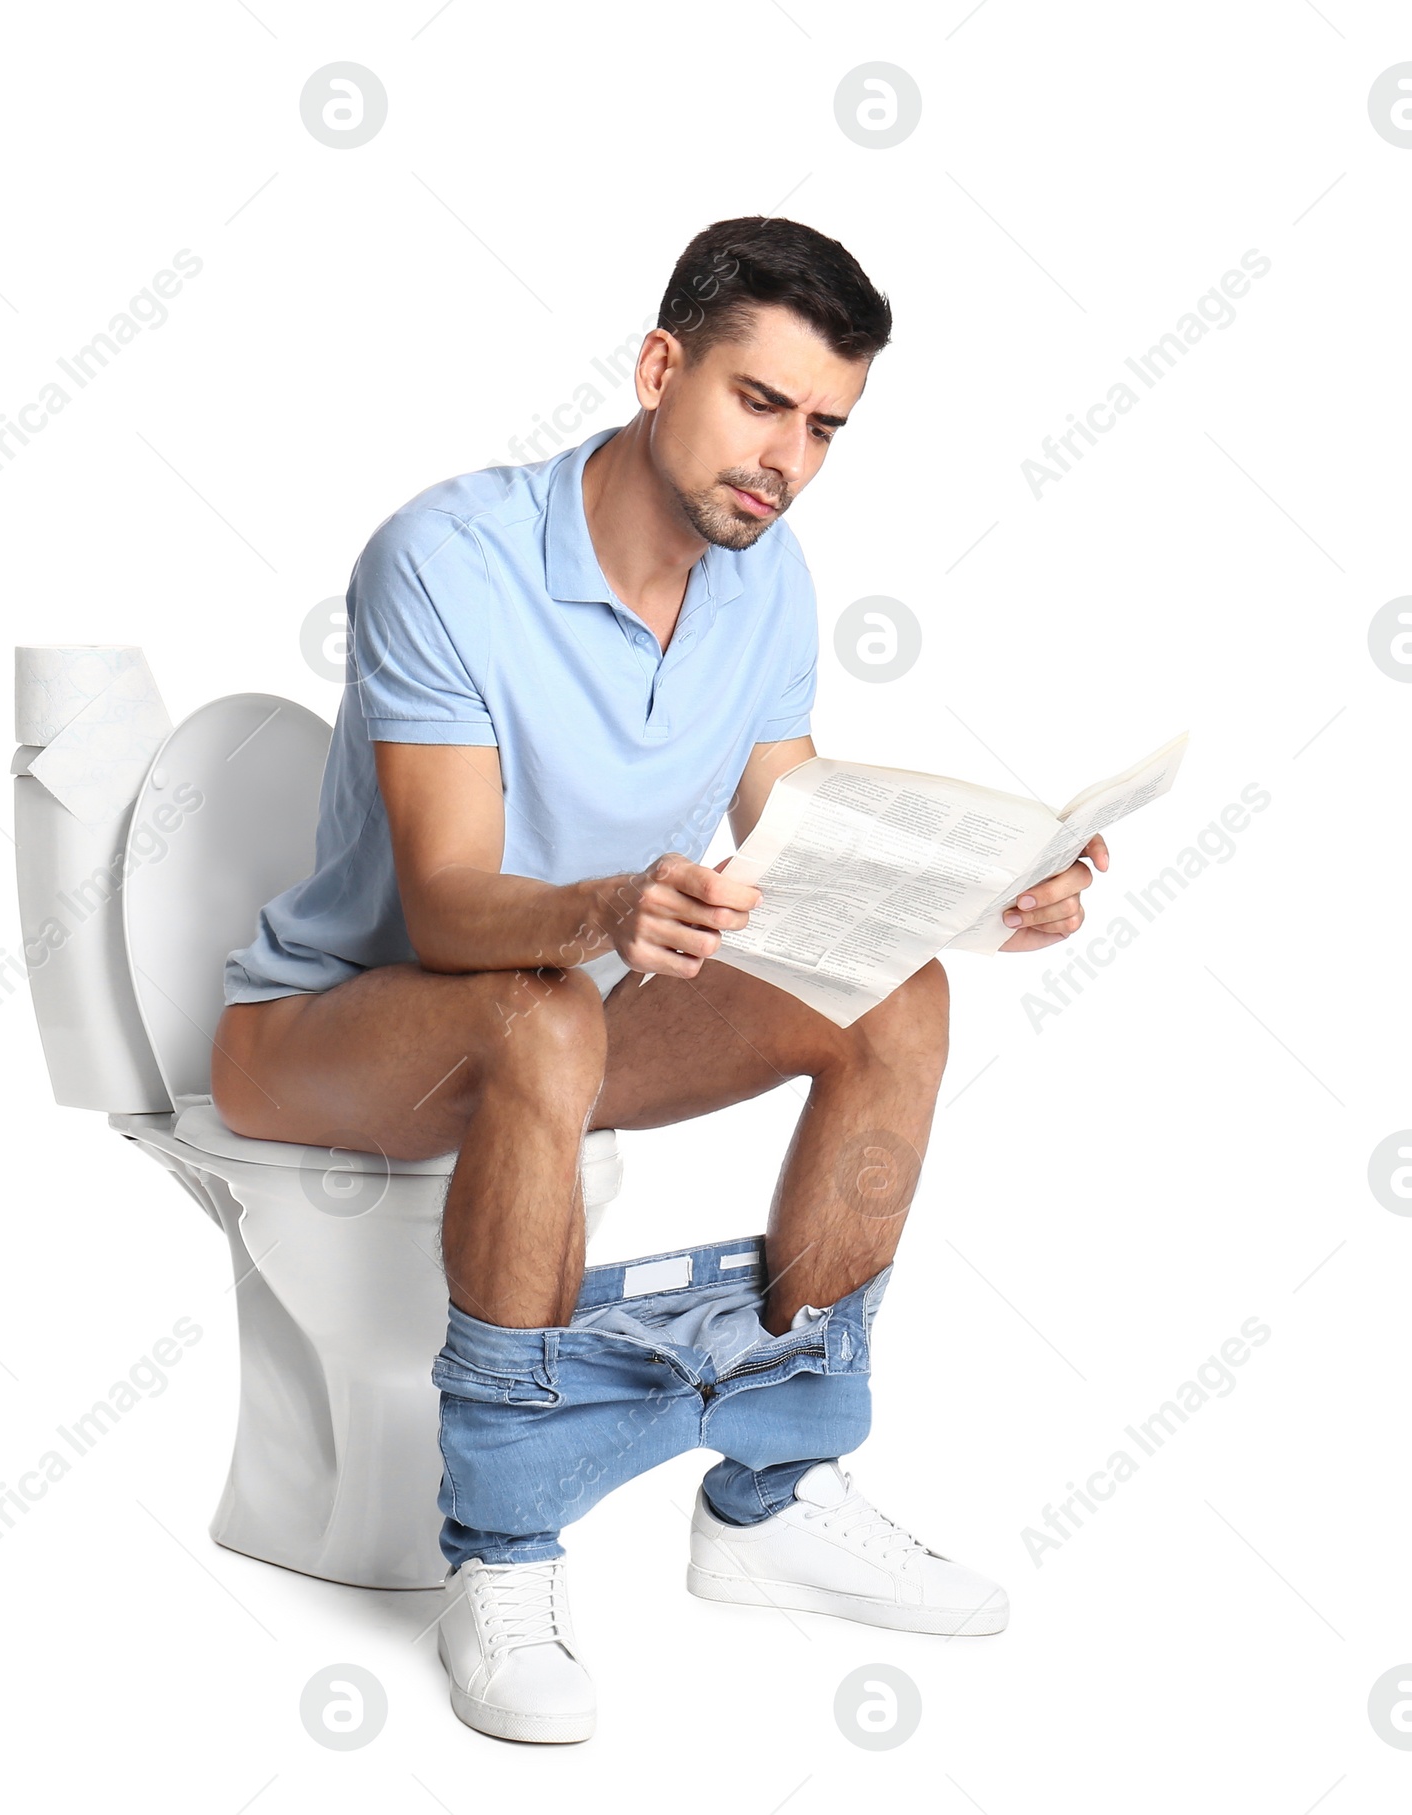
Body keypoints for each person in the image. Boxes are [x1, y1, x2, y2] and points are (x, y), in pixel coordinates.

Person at [212, 215, 1107, 1744]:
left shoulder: (768, 582)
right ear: (659, 365)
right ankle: (500, 1548)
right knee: (536, 1009)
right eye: (761, 402)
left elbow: (798, 834)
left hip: (560, 1020)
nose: (790, 459)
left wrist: (976, 887)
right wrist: (615, 906)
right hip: (321, 1027)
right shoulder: (449, 557)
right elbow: (440, 906)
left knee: (892, 994)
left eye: (826, 426)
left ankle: (774, 1491)